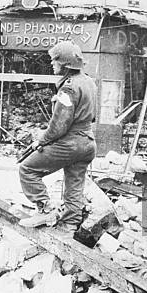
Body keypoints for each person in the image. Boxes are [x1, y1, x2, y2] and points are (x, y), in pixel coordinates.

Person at [19, 41, 97, 229]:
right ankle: (70, 225)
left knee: (27, 169)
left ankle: (45, 211)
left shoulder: (68, 88)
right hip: (87, 143)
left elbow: (59, 127)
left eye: (55, 61)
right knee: (74, 186)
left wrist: (41, 141)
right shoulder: (88, 82)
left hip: (70, 143)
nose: (52, 64)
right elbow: (92, 116)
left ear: (66, 64)